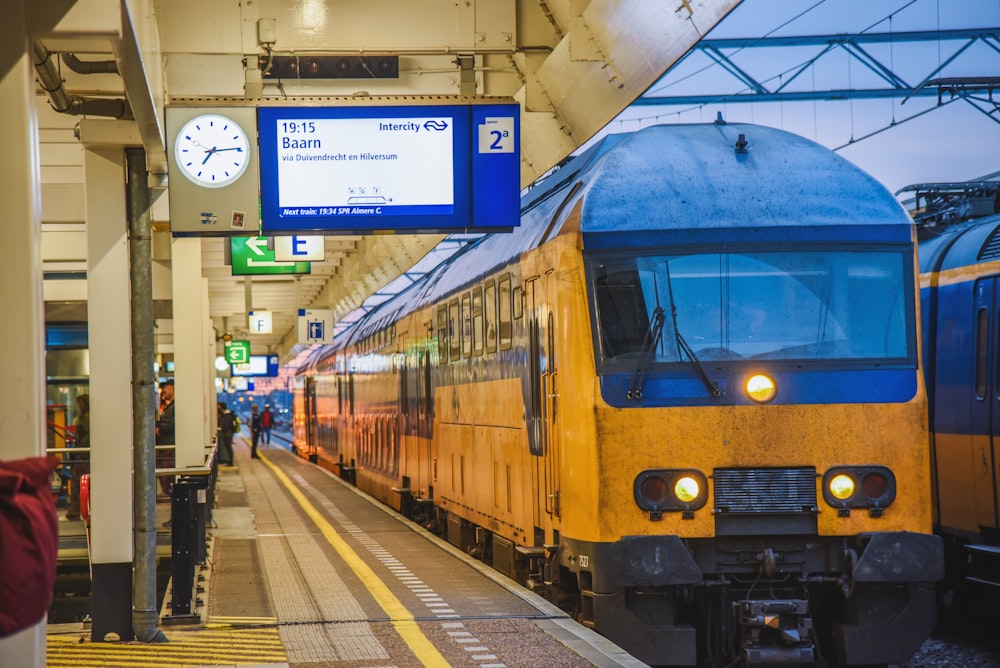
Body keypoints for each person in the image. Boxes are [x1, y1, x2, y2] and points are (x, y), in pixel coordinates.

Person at [65, 394, 90, 521]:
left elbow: (81, 436)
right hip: (87, 454)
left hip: (83, 454)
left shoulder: (84, 418)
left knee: (77, 483)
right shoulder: (89, 417)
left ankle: (75, 510)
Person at [155, 380, 176, 495]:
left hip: (169, 446)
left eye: (166, 388)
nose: (163, 391)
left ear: (173, 388)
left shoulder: (174, 407)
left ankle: (167, 493)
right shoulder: (170, 407)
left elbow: (174, 425)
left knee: (166, 473)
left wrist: (159, 429)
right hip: (166, 445)